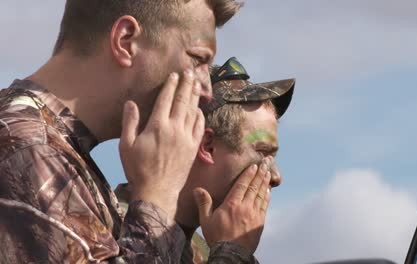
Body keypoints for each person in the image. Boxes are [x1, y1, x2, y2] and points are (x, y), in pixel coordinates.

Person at [0, 0, 285, 263]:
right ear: (126, 41)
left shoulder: (52, 149)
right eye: (197, 59)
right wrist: (158, 195)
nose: (206, 91)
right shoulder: (31, 150)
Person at [115, 57, 296, 263]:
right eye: (263, 152)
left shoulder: (200, 251)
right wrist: (232, 253)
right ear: (208, 146)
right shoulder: (107, 229)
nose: (276, 176)